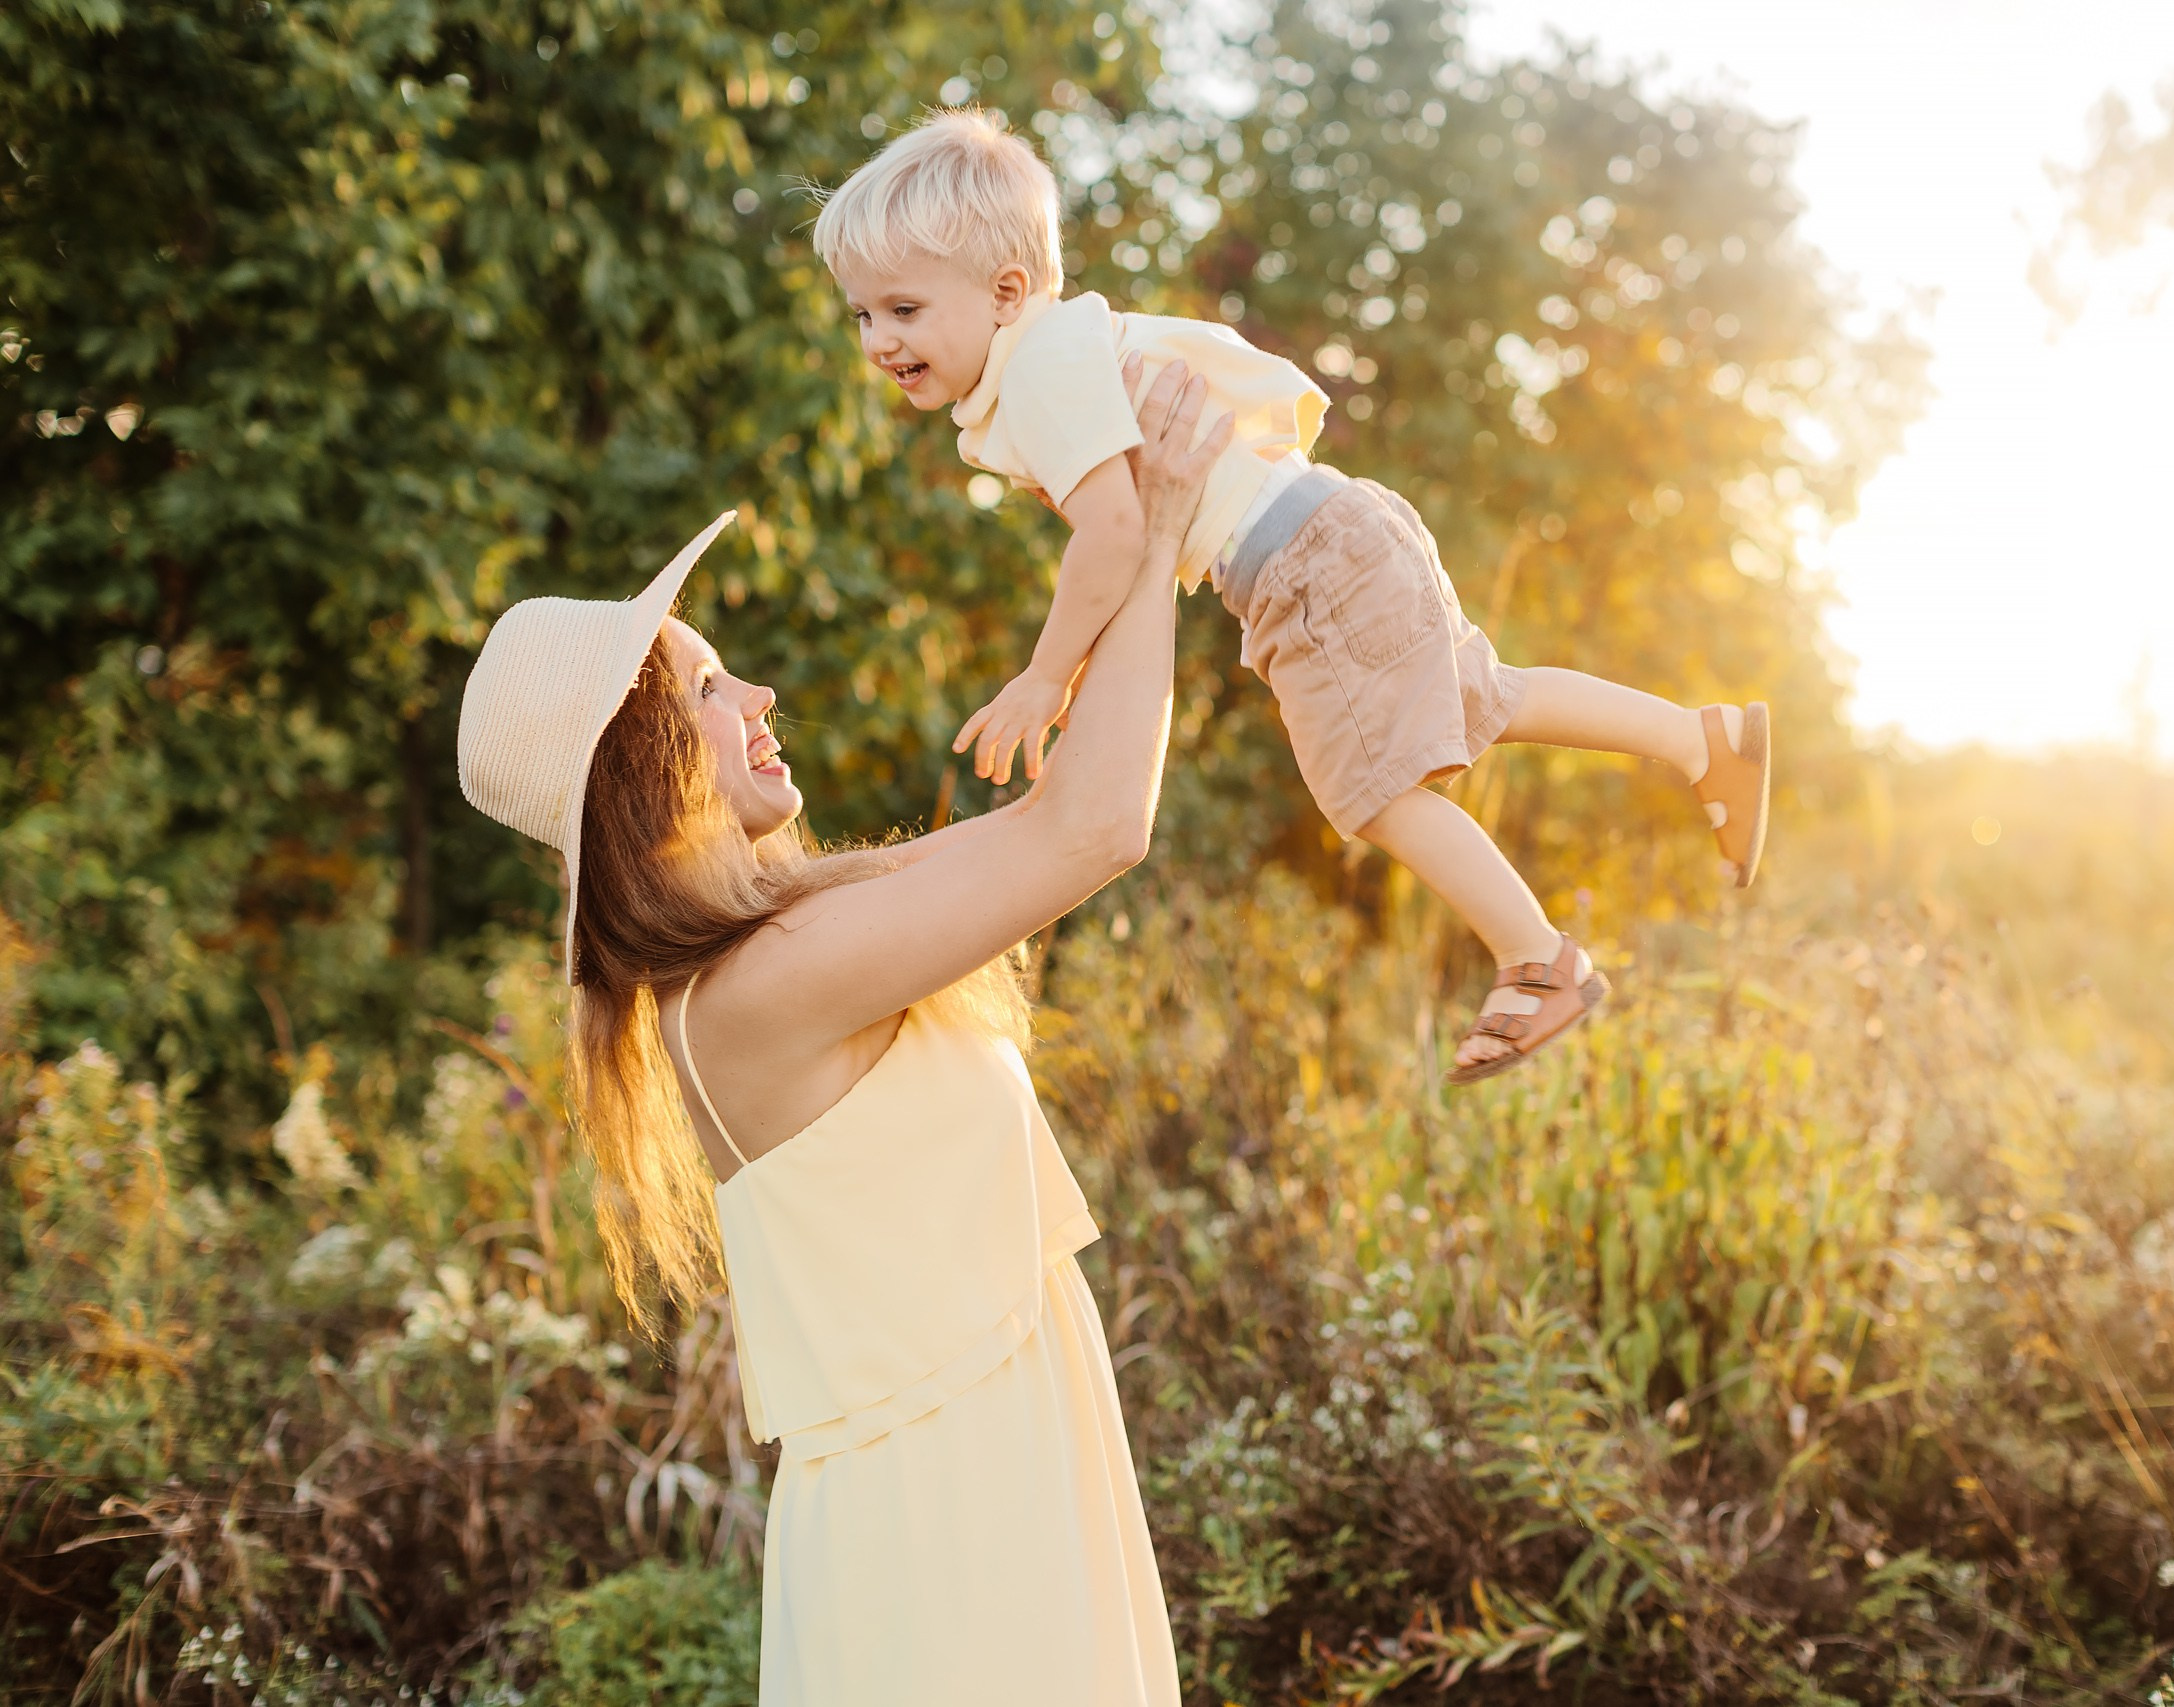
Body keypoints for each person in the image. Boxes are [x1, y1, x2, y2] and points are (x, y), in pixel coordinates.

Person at [454, 360, 1230, 1705]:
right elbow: (1099, 825)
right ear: (644, 763)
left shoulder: (788, 932)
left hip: (980, 1470)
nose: (756, 694)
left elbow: (1052, 815)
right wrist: (1154, 533)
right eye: (706, 685)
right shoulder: (763, 983)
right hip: (950, 1517)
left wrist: (1111, 547)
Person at [809, 108, 1772, 1086]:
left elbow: (1115, 534)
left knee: (1376, 791)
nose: (880, 341)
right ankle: (1702, 740)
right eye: (863, 316)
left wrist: (1044, 678)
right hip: (1338, 527)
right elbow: (1128, 540)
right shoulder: (1057, 353)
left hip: (1301, 565)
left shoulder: (1042, 369)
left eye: (904, 309)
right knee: (1487, 696)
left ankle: (1538, 961)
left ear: (1007, 292)